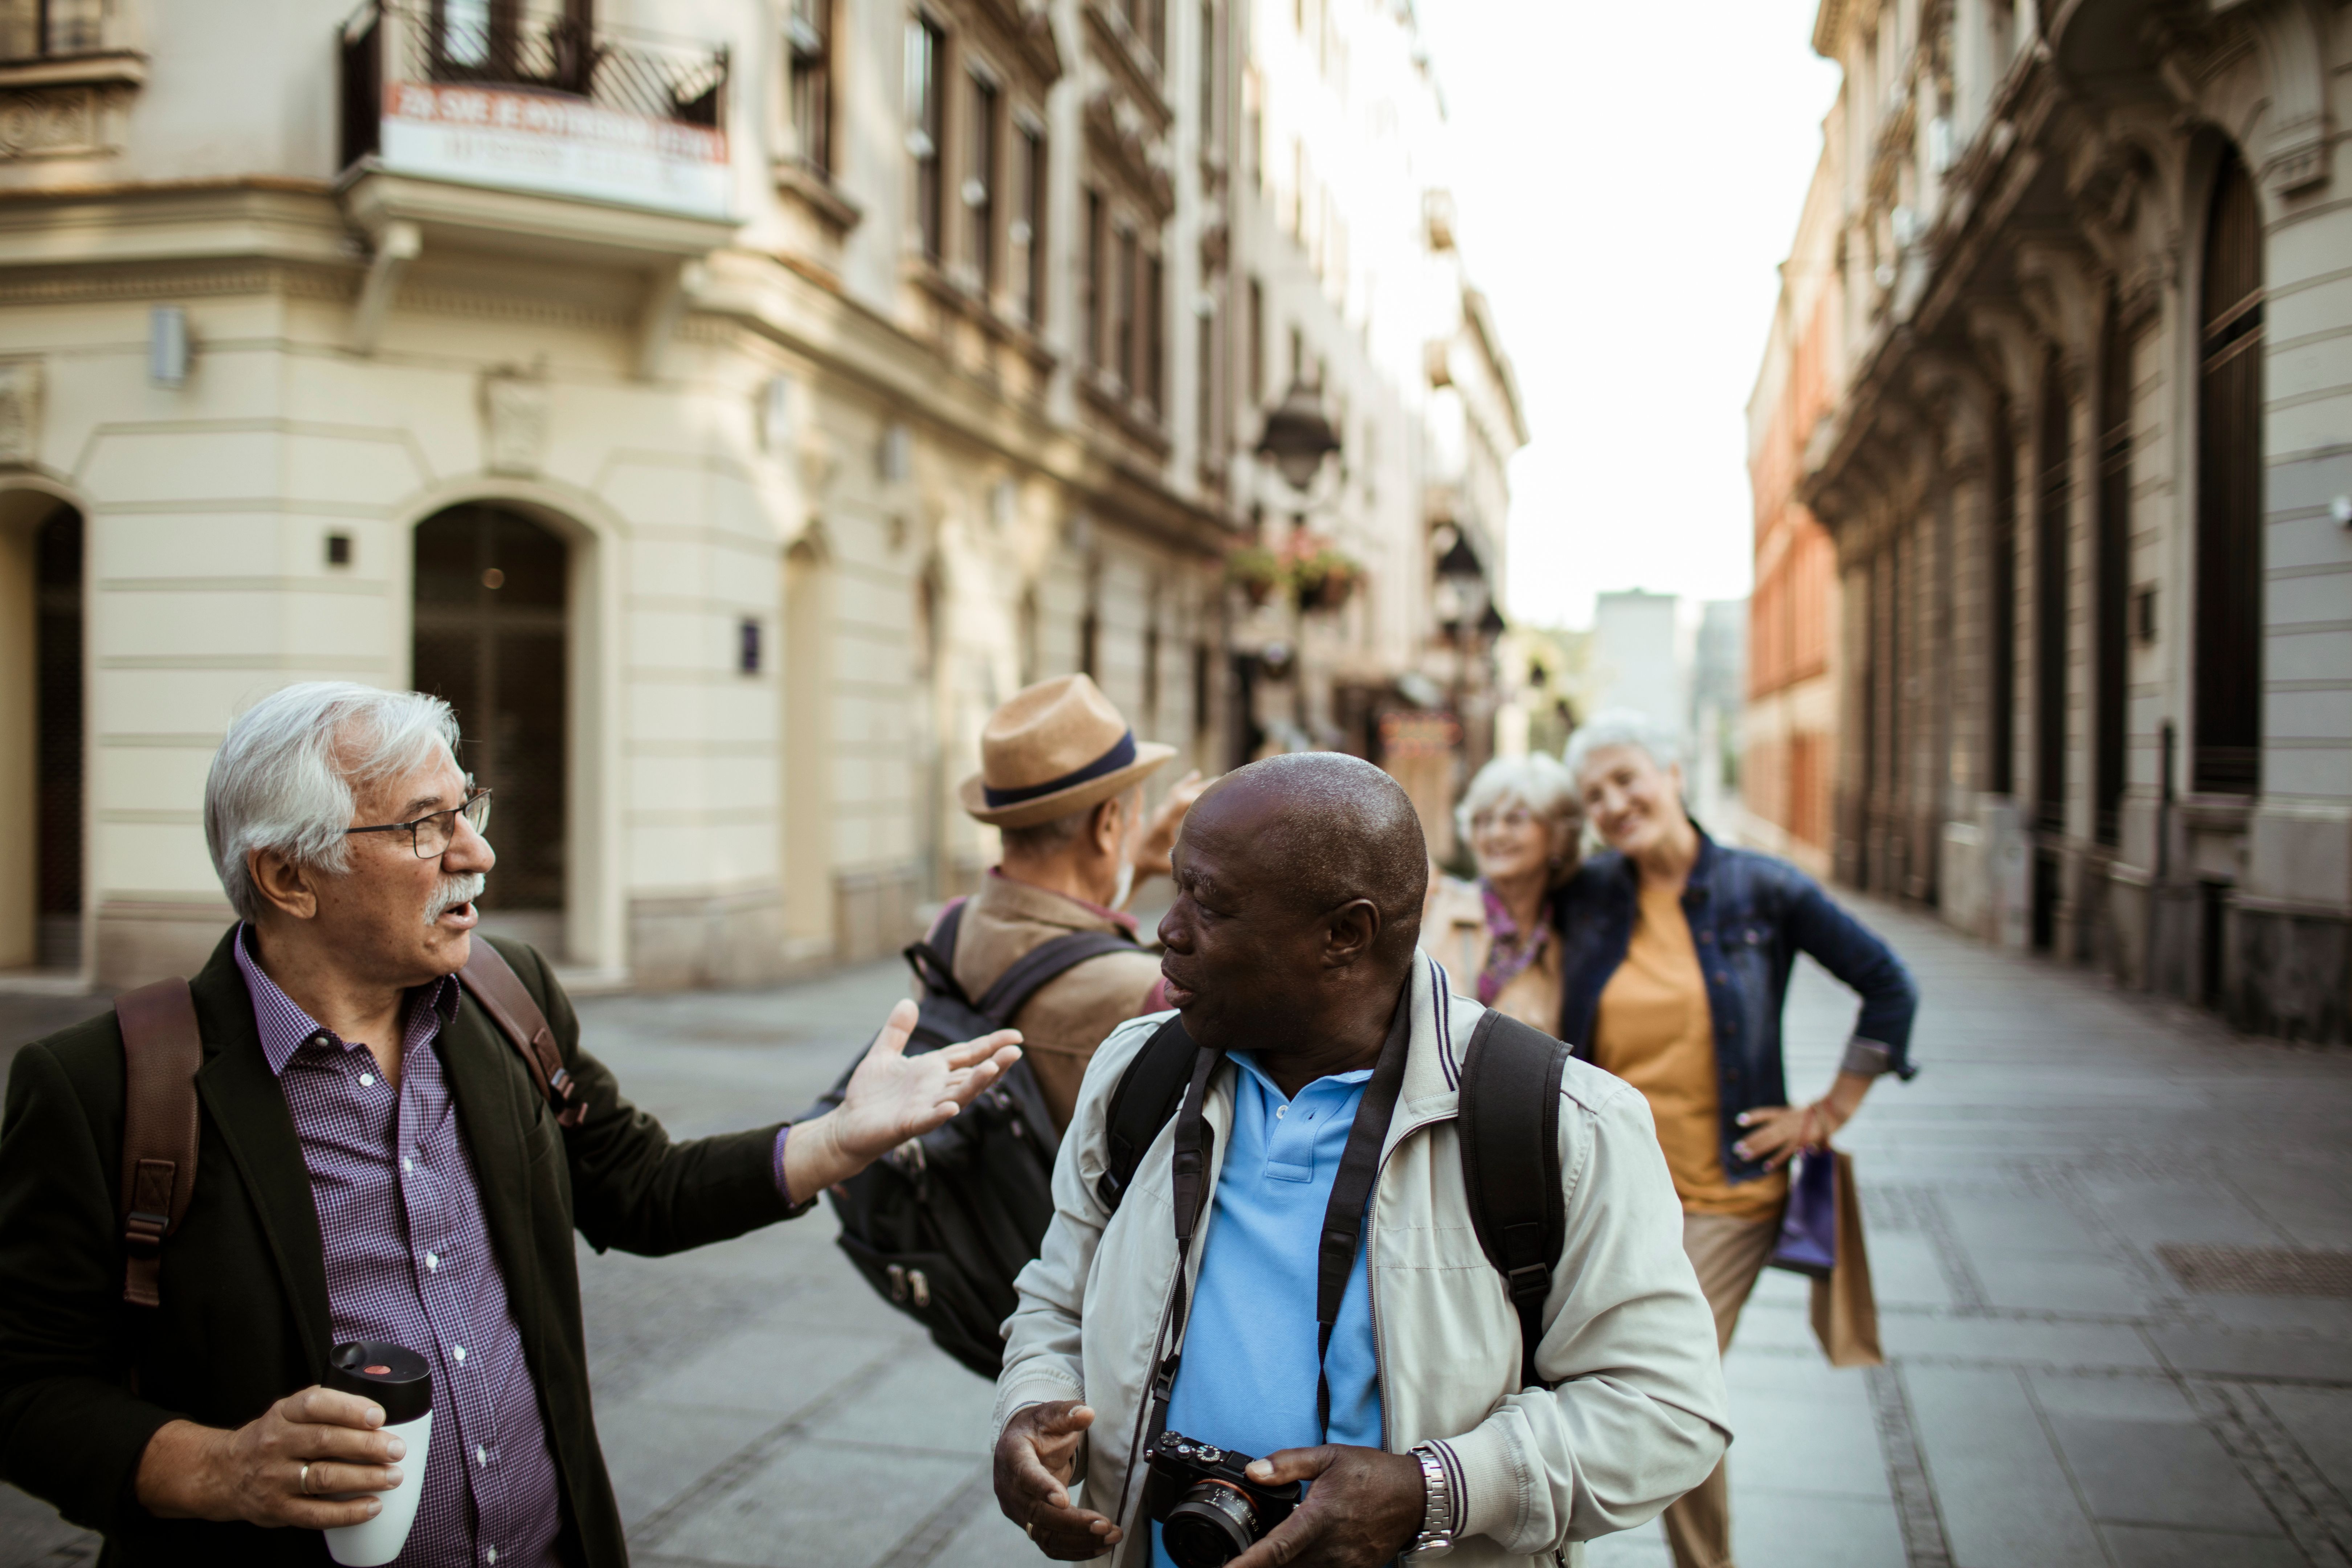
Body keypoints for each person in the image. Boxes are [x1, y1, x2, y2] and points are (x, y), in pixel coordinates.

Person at [0, 682, 1023, 1568]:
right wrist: (221, 1469)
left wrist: (838, 1139)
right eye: (420, 827)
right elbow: (26, 1388)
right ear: (286, 877)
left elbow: (637, 1186)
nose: (476, 852)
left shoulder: (506, 996)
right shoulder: (106, 1084)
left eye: (466, 809)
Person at [991, 752, 1730, 1568]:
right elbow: (1059, 1297)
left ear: (1344, 934)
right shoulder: (1138, 1072)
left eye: (1209, 902)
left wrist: (1433, 1489)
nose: (1166, 929)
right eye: (1175, 887)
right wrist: (1033, 1407)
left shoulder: (1565, 1121)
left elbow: (1667, 1411)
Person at [1555, 710, 1919, 1568]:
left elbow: (1887, 987)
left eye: (1625, 778)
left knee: (1668, 1389)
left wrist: (1825, 1112)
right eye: (1592, 795)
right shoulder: (1589, 897)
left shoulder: (1764, 889)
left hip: (1726, 1195)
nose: (1612, 803)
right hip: (1610, 1196)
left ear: (1673, 771)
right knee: (1598, 1386)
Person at [951, 673, 1208, 1131]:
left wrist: (1135, 865)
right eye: (1134, 815)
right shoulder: (1150, 996)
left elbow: (1049, 937)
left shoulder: (951, 928)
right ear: (1108, 823)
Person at [1421, 754, 1582, 1032]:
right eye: (1483, 821)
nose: (1495, 833)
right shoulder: (1432, 905)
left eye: (1515, 819)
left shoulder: (1568, 945)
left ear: (1558, 836)